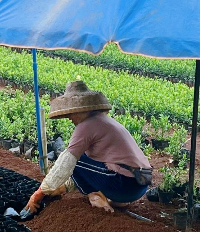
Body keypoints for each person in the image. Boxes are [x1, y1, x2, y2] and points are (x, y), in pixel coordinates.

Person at [21, 80, 152, 217]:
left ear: (80, 109)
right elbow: (88, 168)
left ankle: (97, 197)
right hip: (140, 184)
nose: (70, 118)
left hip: (125, 186)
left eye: (71, 113)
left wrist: (38, 194)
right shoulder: (104, 120)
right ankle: (111, 198)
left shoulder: (86, 126)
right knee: (81, 158)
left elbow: (65, 164)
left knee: (73, 159)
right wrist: (63, 186)